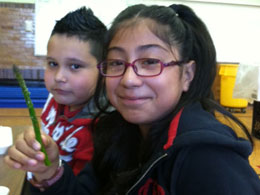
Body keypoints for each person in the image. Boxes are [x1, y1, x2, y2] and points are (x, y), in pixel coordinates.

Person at [4, 4, 260, 195]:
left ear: (187, 74)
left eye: (149, 62)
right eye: (116, 62)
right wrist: (51, 173)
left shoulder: (207, 159)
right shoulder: (115, 132)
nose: (129, 79)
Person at [37, 6, 106, 175]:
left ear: (104, 69)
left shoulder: (102, 129)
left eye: (75, 66)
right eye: (53, 64)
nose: (59, 77)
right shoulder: (58, 97)